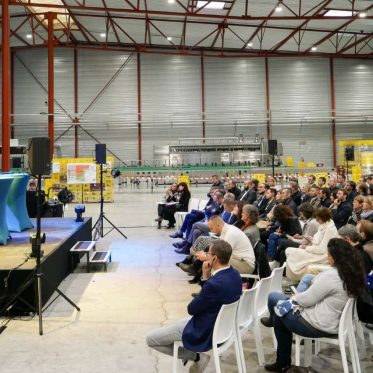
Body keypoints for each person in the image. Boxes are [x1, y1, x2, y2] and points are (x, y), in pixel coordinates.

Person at [261, 238, 366, 373]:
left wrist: (295, 297)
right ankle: (281, 358)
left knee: (275, 303)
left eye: (328, 255)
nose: (327, 258)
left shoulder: (332, 275)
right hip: (334, 322)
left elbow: (306, 300)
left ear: (336, 257)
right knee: (278, 307)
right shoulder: (353, 273)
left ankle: (282, 361)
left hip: (316, 324)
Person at [146, 240, 242, 373]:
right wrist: (205, 275)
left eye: (209, 253)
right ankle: (193, 355)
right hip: (225, 327)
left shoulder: (214, 284)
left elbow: (191, 309)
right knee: (179, 323)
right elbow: (210, 296)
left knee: (151, 339)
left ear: (214, 258)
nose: (207, 255)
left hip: (205, 330)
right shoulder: (235, 275)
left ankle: (194, 356)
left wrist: (205, 282)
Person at [286, 207, 339, 281]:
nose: (317, 221)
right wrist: (312, 240)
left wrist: (306, 248)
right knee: (288, 251)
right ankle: (292, 278)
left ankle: (294, 279)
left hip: (321, 255)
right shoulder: (324, 224)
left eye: (318, 219)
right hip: (315, 250)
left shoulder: (329, 229)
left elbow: (322, 249)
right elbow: (319, 241)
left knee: (289, 251)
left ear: (323, 218)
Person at [271, 203, 319, 270]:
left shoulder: (311, 223)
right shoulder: (311, 222)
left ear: (305, 213)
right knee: (282, 252)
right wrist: (300, 236)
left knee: (284, 243)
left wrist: (293, 239)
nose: (301, 215)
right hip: (307, 243)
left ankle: (275, 263)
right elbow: (308, 237)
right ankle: (283, 273)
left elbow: (305, 242)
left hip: (307, 246)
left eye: (301, 213)